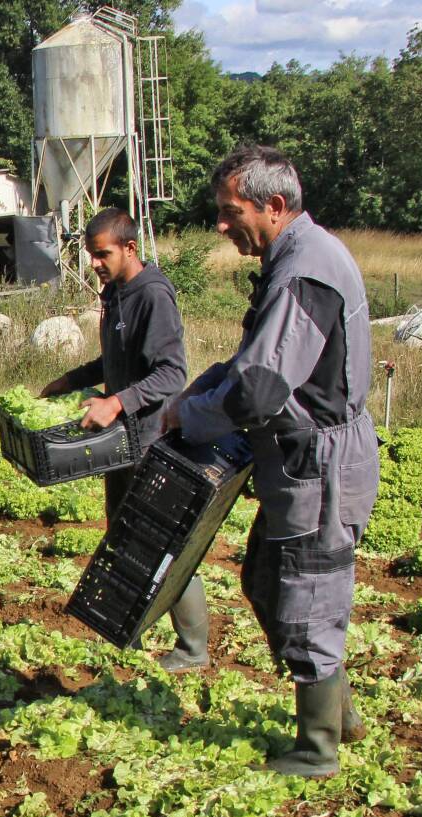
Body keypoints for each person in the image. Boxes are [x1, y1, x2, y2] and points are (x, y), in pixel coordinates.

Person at [163, 145, 378, 778]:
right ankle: (340, 712)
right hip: (296, 457)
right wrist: (198, 392)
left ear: (275, 206)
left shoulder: (305, 270)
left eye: (231, 212)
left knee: (308, 591)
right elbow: (249, 362)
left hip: (319, 463)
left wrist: (189, 416)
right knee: (264, 575)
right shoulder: (295, 257)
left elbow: (259, 386)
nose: (222, 226)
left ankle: (318, 748)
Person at [40, 207, 196, 672]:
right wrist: (72, 378)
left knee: (160, 539)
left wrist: (116, 402)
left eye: (102, 253)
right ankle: (132, 625)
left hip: (150, 437)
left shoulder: (153, 296)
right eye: (90, 255)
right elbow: (117, 361)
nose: (95, 263)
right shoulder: (117, 293)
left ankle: (192, 646)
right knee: (123, 532)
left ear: (130, 248)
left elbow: (171, 373)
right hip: (121, 439)